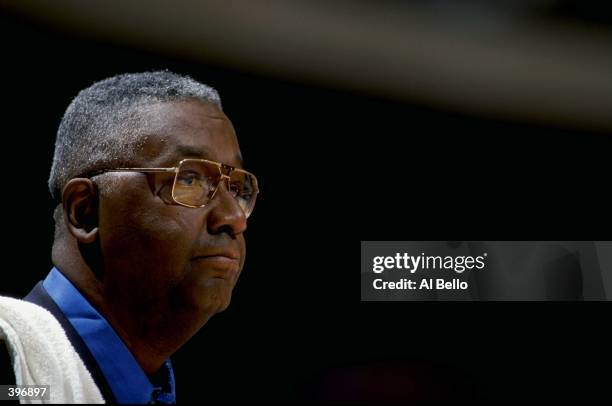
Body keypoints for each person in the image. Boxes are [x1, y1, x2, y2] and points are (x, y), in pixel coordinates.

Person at [0, 71, 259, 403]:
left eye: (236, 188)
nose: (234, 218)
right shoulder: (12, 362)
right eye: (190, 179)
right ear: (86, 211)